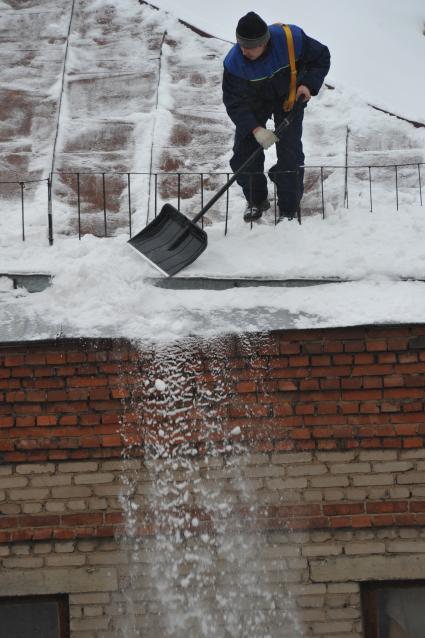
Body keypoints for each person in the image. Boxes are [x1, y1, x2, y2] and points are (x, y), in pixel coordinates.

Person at [222, 12, 330, 222]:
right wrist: (255, 129)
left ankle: (289, 208)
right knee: (243, 155)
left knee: (290, 154)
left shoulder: (291, 40)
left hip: (289, 97)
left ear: (265, 42)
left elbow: (321, 57)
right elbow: (233, 101)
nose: (244, 51)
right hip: (254, 101)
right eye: (241, 45)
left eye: (250, 47)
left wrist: (308, 85)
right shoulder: (235, 63)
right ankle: (256, 199)